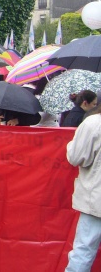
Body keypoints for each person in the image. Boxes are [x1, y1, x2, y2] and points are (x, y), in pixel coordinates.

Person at [65, 105, 101, 271]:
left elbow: (76, 157)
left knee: (83, 250)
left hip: (96, 199)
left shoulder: (93, 123)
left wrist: (72, 144)